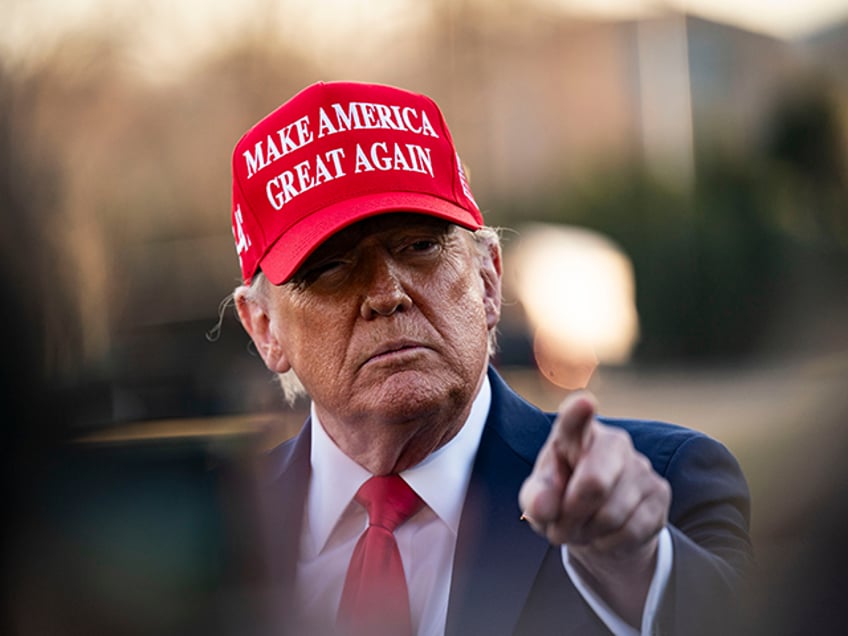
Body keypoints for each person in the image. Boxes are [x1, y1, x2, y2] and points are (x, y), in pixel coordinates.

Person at [228, 81, 752, 636]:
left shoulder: (655, 489)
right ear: (264, 328)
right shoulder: (207, 534)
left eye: (420, 246)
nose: (387, 294)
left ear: (488, 278)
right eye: (330, 267)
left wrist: (637, 566)